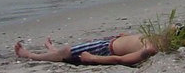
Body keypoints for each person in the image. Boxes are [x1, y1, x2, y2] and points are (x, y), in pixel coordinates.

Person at [14, 32, 163, 66]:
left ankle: (30, 55)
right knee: (67, 50)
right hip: (110, 42)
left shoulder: (150, 48)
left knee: (66, 52)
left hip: (104, 49)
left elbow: (122, 59)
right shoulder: (157, 37)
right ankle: (52, 50)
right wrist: (127, 36)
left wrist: (94, 58)